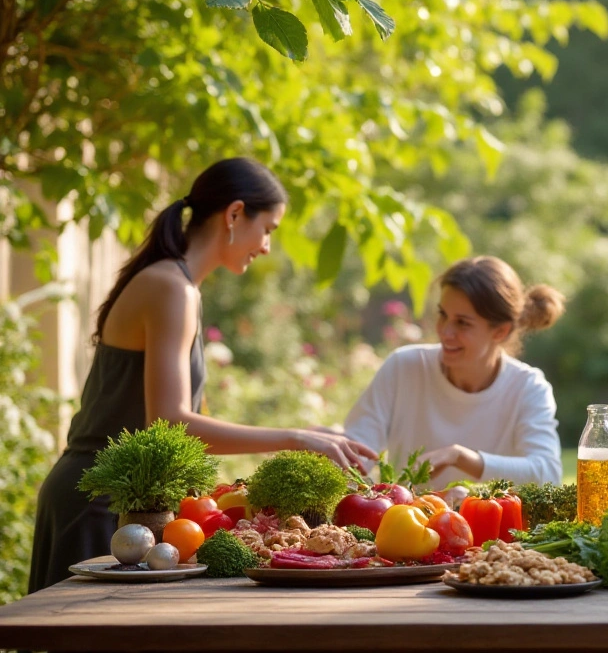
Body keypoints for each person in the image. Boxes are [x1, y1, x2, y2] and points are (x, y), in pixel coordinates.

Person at [28, 158, 375, 594]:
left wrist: (304, 433)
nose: (267, 245)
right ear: (234, 214)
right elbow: (171, 424)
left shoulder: (178, 285)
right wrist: (297, 438)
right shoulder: (171, 287)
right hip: (99, 504)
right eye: (268, 228)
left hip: (129, 505)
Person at [343, 256, 565, 487]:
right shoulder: (403, 367)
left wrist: (459, 457)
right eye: (443, 315)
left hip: (492, 523)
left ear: (500, 331)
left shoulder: (528, 388)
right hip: (406, 521)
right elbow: (357, 455)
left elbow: (547, 473)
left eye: (462, 323)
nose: (445, 331)